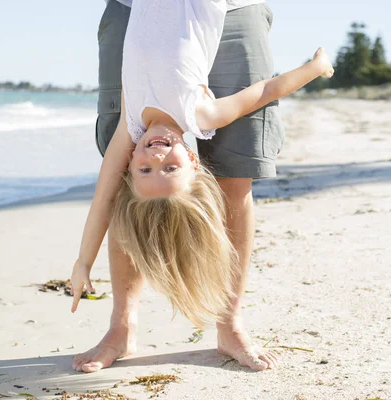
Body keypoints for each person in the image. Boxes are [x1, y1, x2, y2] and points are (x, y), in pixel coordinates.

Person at [71, 0, 334, 372]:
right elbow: (262, 92)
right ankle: (121, 327)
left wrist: (84, 261)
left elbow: (105, 194)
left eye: (144, 170)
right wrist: (314, 68)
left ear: (131, 162)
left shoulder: (129, 126)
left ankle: (229, 325)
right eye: (169, 168)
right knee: (223, 175)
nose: (156, 157)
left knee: (230, 175)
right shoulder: (200, 112)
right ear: (192, 162)